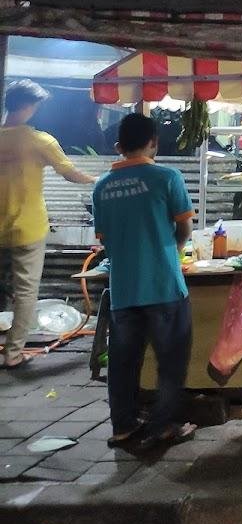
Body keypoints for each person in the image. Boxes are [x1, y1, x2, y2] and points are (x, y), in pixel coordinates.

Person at [92, 113, 196, 449]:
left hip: (123, 290)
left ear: (119, 146)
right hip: (164, 286)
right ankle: (162, 426)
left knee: (123, 364)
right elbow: (184, 228)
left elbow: (105, 238)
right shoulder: (166, 177)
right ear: (153, 143)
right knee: (171, 361)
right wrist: (172, 253)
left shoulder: (101, 186)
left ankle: (123, 426)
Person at [0, 80, 95, 368]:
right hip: (26, 227)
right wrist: (99, 180)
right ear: (29, 106)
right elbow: (69, 173)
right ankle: (13, 353)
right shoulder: (38, 140)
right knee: (26, 290)